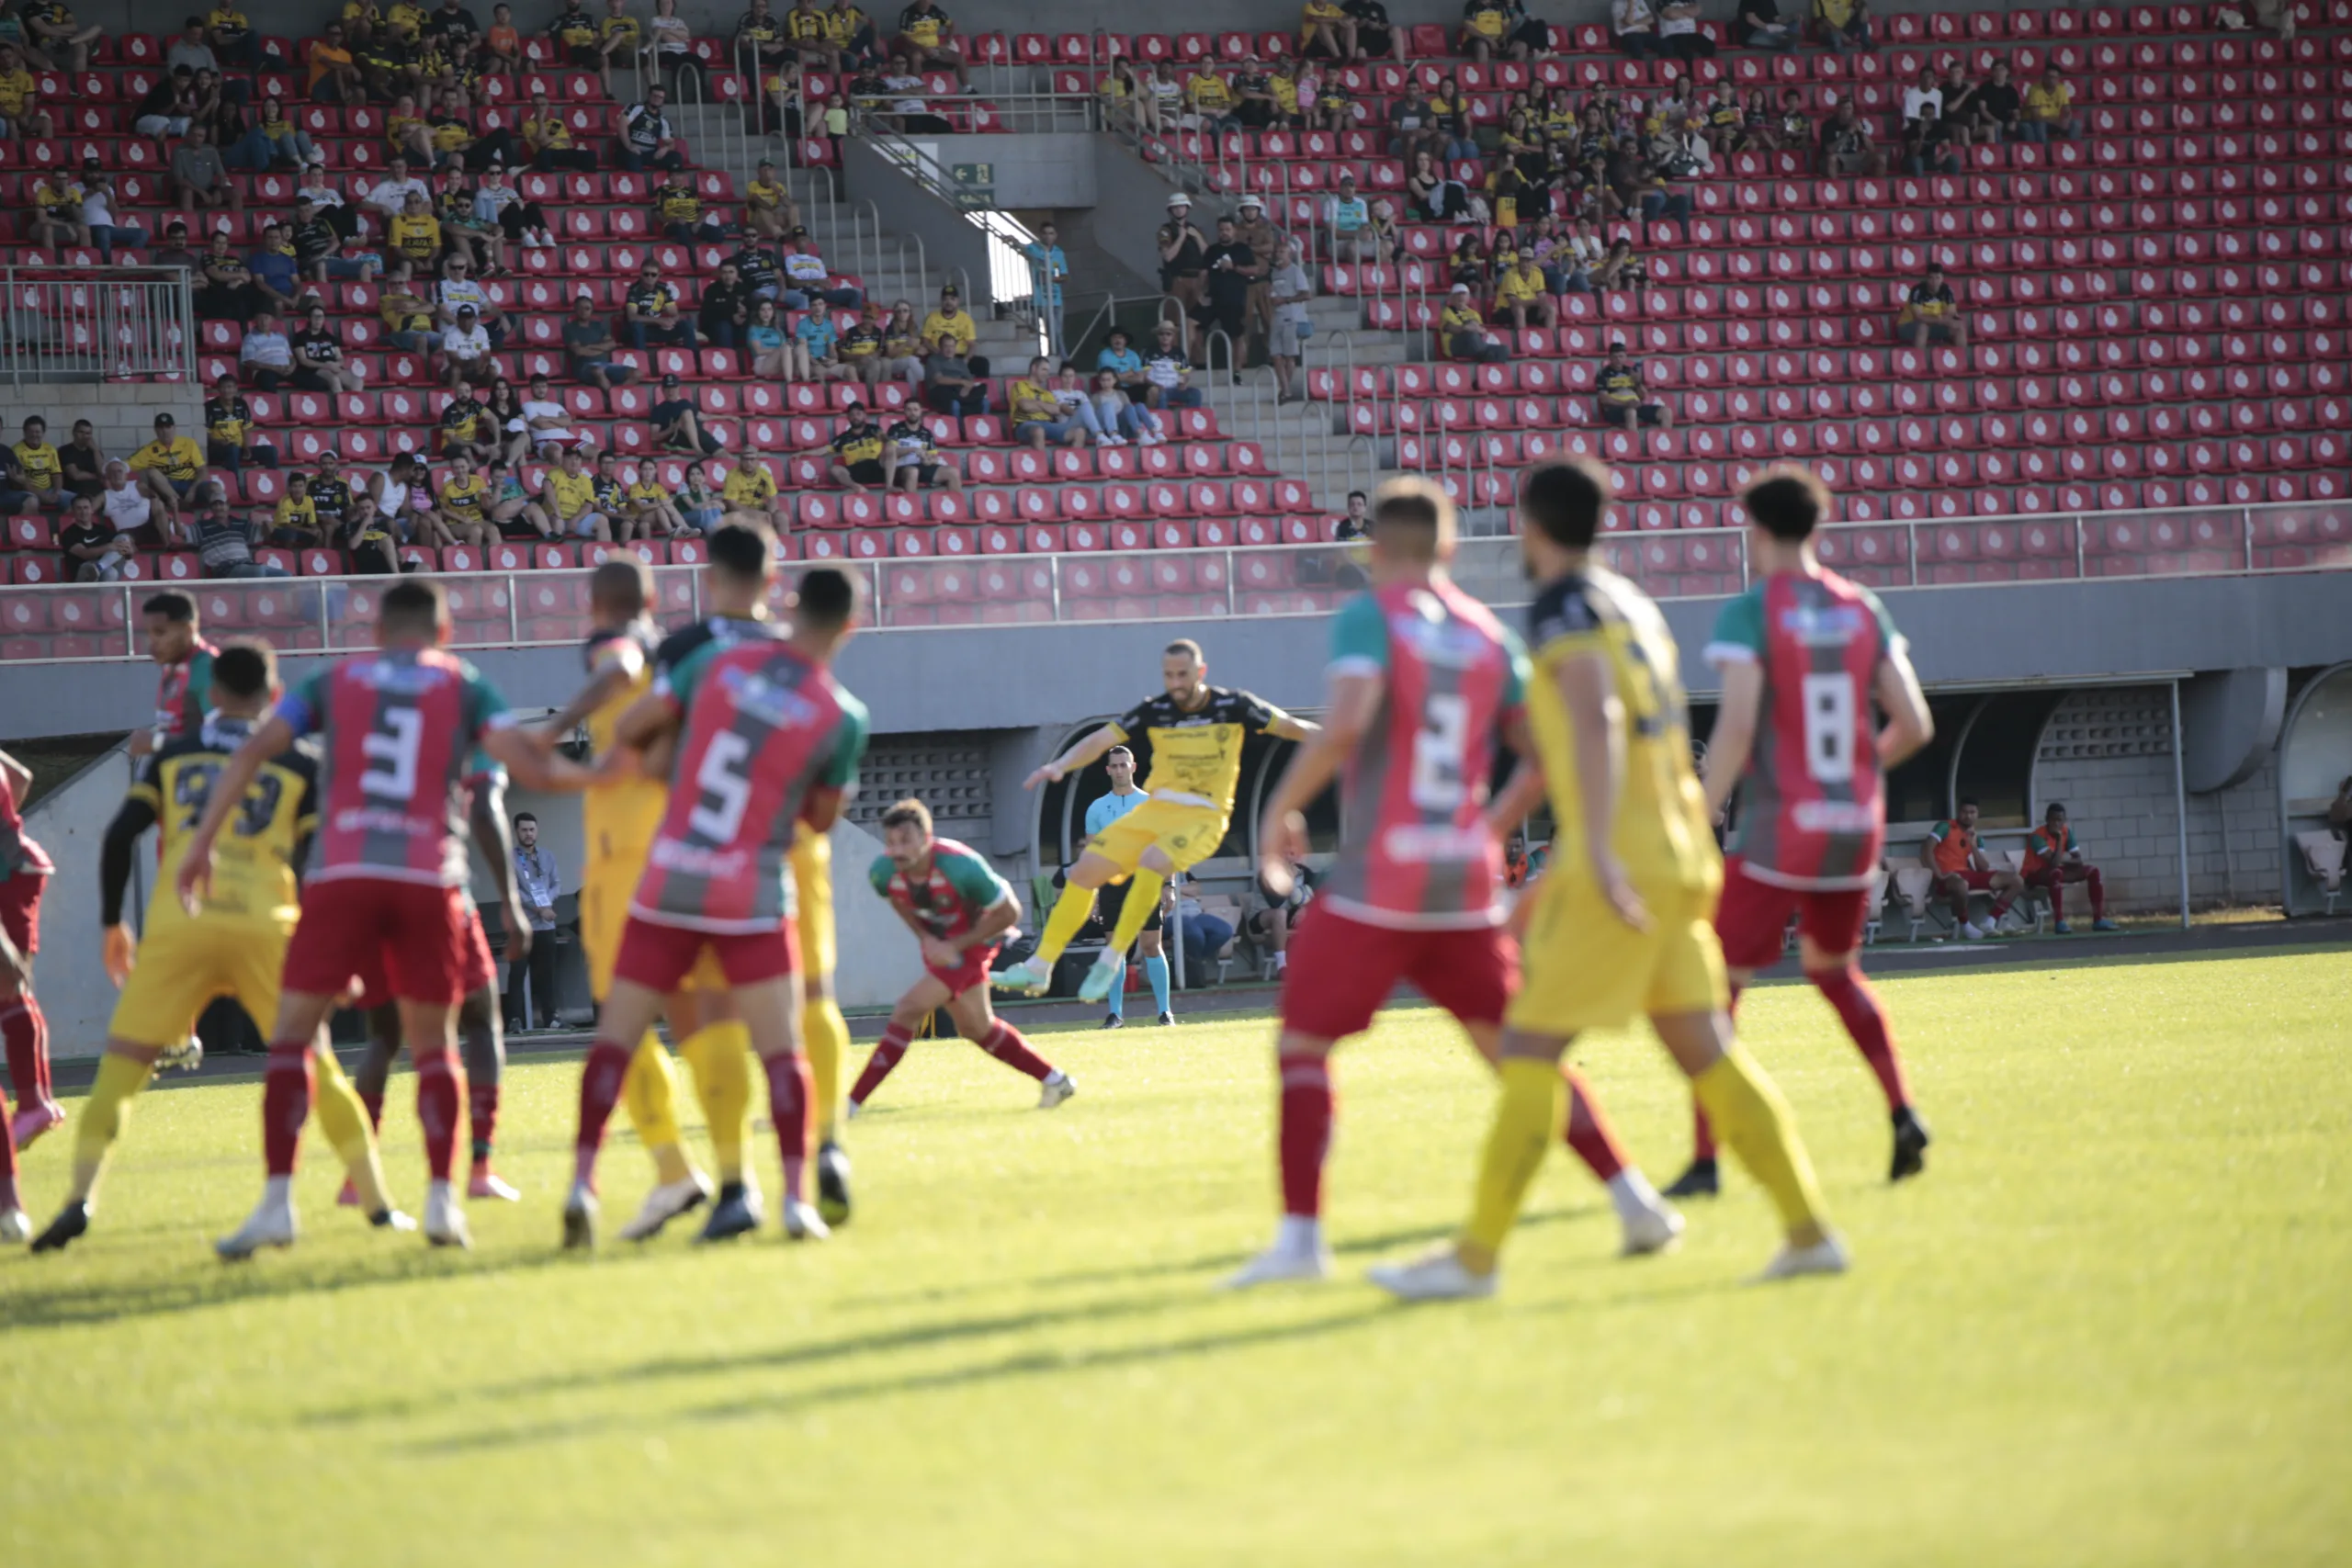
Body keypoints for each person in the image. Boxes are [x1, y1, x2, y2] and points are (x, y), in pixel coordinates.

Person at [1365, 458, 1847, 1300]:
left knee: (1530, 1049)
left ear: (1531, 525)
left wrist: (1587, 856)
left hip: (1615, 860)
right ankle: (1809, 1231)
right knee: (1708, 1051)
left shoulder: (1561, 609)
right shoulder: (1634, 604)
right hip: (1678, 852)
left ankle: (1475, 1259)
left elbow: (1594, 717)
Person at [1226, 479, 1682, 1289]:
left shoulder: (1374, 613)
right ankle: (1634, 1198)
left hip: (1380, 875)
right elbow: (1543, 755)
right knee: (1516, 1051)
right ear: (1449, 548)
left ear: (1374, 551)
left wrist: (1279, 813)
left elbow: (1350, 717)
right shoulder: (1485, 633)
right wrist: (1489, 829)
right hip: (1463, 883)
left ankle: (1301, 1242)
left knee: (1303, 1042)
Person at [181, 581, 595, 1257]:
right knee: (435, 1045)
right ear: (445, 629)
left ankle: (277, 1203)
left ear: (376, 629)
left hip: (341, 875)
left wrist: (201, 845)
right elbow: (516, 765)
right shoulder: (463, 684)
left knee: (292, 1039)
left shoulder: (331, 680)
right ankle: (442, 1202)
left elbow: (254, 750)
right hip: (426, 878)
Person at [28, 645, 401, 1252]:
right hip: (266, 923)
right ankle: (380, 1205)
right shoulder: (299, 761)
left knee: (120, 1070)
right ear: (274, 693)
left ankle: (80, 1199)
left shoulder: (176, 753)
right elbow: (318, 862)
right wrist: (327, 940)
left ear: (214, 694)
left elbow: (121, 834)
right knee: (318, 1064)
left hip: (182, 923)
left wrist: (109, 924)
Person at [561, 554, 868, 1247]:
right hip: (758, 877)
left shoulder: (708, 661)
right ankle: (815, 1165)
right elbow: (819, 818)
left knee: (636, 1030)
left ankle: (613, 1180)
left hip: (671, 867)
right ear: (850, 626)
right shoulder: (839, 711)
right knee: (797, 1026)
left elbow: (643, 733)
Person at [1662, 466, 1937, 1201]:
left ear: (1753, 527)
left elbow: (1739, 724)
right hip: (1853, 823)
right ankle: (1903, 1108)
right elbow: (1914, 723)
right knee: (1834, 971)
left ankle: (1706, 1158)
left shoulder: (1753, 610)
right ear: (1817, 526)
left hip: (1782, 824)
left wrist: (1698, 809)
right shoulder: (1862, 608)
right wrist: (1853, 774)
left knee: (1713, 987)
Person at [1001, 641, 1318, 1002]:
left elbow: (1292, 727)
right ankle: (1040, 967)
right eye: (1169, 675)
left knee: (1153, 861)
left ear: (1201, 672)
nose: (1175, 682)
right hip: (1156, 811)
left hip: (1205, 816)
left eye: (1183, 674)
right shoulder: (1157, 710)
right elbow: (1103, 738)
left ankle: (1113, 955)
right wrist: (1059, 765)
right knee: (1083, 872)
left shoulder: (1234, 705)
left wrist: (1346, 737)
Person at [847, 797, 1076, 1116]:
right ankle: (1057, 1080)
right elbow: (899, 901)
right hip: (944, 944)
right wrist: (926, 938)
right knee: (977, 1029)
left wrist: (955, 946)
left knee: (907, 1010)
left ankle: (850, 1104)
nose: (897, 850)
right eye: (891, 842)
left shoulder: (960, 865)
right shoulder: (882, 872)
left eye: (906, 841)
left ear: (926, 839)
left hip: (976, 940)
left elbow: (1010, 912)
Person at [0, 744, 56, 1211]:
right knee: (12, 990)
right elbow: (18, 777)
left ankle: (34, 1102)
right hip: (19, 866)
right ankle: (36, 1101)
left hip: (9, 873)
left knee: (9, 987)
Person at [1084, 745, 1171, 1028]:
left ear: (1134, 767)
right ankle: (1115, 1014)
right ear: (1108, 770)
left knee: (1151, 946)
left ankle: (1165, 1012)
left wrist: (1168, 885)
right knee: (1114, 948)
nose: (1120, 770)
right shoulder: (1096, 807)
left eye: (1125, 764)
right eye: (1115, 766)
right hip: (1111, 882)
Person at [1922, 796, 2023, 940]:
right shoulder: (1945, 827)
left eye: (1972, 812)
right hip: (1948, 877)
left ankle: (1990, 922)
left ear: (1977, 814)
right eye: (1964, 811)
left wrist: (1973, 845)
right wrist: (1938, 875)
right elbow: (1927, 849)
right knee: (1961, 884)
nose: (1968, 816)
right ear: (1959, 811)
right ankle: (1966, 925)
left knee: (2016, 880)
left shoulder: (1976, 837)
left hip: (1968, 874)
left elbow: (1983, 868)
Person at [2023, 802, 2117, 935]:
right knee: (2055, 872)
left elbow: (2078, 860)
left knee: (2092, 871)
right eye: (2052, 820)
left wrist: (2062, 859)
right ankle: (2059, 922)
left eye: (2059, 820)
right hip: (2033, 875)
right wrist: (2059, 839)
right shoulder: (2037, 836)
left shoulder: (2067, 831)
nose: (2056, 824)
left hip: (2054, 870)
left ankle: (2098, 920)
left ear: (2064, 821)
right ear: (2046, 820)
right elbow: (2054, 864)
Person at [190, 494, 288, 578]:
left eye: (221, 504)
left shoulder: (241, 524)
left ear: (228, 505)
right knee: (258, 571)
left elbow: (267, 535)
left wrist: (266, 521)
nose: (218, 507)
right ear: (211, 508)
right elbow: (181, 532)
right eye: (215, 505)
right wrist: (175, 510)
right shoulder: (202, 526)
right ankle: (255, 599)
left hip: (245, 564)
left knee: (285, 575)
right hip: (224, 569)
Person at [541, 443, 611, 542]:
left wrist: (577, 518)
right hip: (555, 516)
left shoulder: (586, 480)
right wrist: (557, 511)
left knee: (602, 520)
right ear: (563, 459)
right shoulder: (554, 473)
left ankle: (606, 555)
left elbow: (588, 506)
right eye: (570, 458)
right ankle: (560, 554)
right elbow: (547, 487)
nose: (574, 462)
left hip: (575, 519)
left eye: (577, 459)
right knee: (557, 521)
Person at [563, 293, 633, 389]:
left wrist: (590, 346)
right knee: (598, 371)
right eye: (580, 308)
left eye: (587, 308)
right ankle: (613, 399)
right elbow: (579, 351)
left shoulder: (598, 325)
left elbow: (612, 344)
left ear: (592, 310)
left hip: (605, 365)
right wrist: (603, 348)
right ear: (575, 309)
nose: (583, 311)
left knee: (636, 373)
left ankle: (619, 395)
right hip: (584, 367)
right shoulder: (570, 328)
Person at [1595, 341, 1670, 429]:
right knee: (1631, 412)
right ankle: (1634, 442)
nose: (1618, 359)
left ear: (1626, 357)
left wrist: (1638, 383)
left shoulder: (1631, 372)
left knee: (1666, 412)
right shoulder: (1603, 374)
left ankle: (1665, 440)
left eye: (1621, 356)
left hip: (1634, 405)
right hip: (1614, 409)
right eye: (1615, 357)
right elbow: (1604, 399)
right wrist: (1626, 404)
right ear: (1609, 358)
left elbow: (1643, 396)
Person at [883, 407, 957, 491]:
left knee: (953, 472)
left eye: (915, 410)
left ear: (920, 412)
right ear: (904, 412)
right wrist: (912, 449)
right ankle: (912, 503)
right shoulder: (895, 429)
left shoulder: (927, 433)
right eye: (909, 409)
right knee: (913, 471)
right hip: (901, 467)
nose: (912, 413)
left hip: (922, 467)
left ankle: (958, 503)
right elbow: (889, 452)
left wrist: (928, 460)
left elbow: (933, 457)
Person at [1897, 262, 1967, 350]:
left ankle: (1962, 359)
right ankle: (1920, 360)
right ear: (1927, 278)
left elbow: (1952, 312)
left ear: (1942, 278)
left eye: (1937, 278)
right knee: (1923, 326)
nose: (1934, 282)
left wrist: (1947, 320)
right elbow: (1919, 317)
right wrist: (1940, 319)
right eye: (1931, 278)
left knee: (1959, 326)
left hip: (1934, 325)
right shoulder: (1917, 291)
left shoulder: (1947, 290)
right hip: (1908, 326)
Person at [651, 371, 724, 455]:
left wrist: (729, 417)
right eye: (667, 388)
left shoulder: (686, 403)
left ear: (678, 388)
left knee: (724, 456)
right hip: (680, 437)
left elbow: (705, 416)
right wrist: (671, 429)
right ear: (662, 390)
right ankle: (698, 451)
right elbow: (654, 436)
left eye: (673, 388)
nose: (670, 391)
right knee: (687, 413)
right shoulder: (658, 409)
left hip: (699, 435)